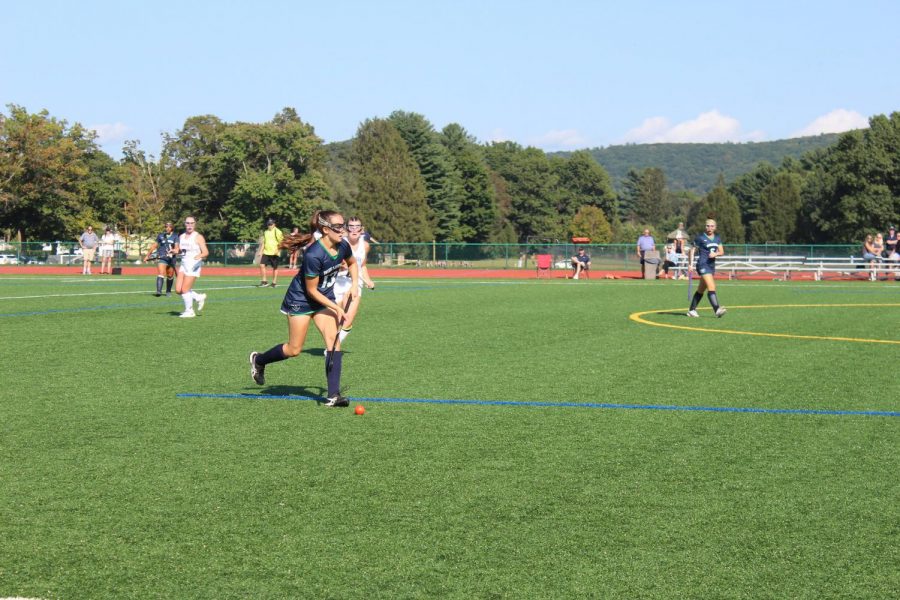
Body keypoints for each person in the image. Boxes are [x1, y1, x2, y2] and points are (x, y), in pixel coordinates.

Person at [249, 210, 359, 407]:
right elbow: (311, 291)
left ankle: (333, 395)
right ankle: (259, 360)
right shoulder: (314, 254)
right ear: (325, 229)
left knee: (334, 342)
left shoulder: (343, 245)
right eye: (338, 227)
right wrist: (337, 307)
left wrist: (354, 285)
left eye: (343, 225)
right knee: (294, 349)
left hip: (323, 299)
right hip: (301, 300)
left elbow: (352, 263)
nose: (343, 231)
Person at [333, 216, 376, 345]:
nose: (354, 229)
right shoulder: (340, 243)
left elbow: (362, 265)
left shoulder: (366, 245)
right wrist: (340, 265)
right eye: (351, 226)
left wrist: (368, 280)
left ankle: (333, 347)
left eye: (357, 226)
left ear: (361, 229)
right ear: (347, 228)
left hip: (354, 284)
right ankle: (332, 345)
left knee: (348, 320)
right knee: (336, 318)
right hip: (337, 283)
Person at [687, 218, 727, 318]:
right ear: (705, 227)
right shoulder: (700, 237)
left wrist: (716, 254)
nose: (709, 228)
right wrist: (690, 264)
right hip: (702, 264)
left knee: (701, 289)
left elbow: (721, 252)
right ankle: (717, 309)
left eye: (712, 226)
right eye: (707, 226)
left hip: (711, 266)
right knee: (712, 286)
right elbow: (692, 251)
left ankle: (691, 310)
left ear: (715, 227)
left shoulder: (717, 238)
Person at [173, 216, 209, 318]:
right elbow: (180, 250)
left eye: (192, 223)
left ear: (195, 224)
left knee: (185, 289)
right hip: (184, 265)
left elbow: (206, 252)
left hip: (194, 265)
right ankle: (198, 297)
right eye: (187, 223)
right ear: (185, 224)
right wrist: (175, 251)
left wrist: (199, 256)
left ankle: (189, 311)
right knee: (178, 290)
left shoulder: (198, 237)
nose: (189, 225)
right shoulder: (181, 236)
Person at [143, 221, 179, 296]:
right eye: (166, 227)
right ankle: (158, 291)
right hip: (162, 258)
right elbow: (154, 246)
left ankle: (168, 291)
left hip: (171, 259)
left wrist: (173, 251)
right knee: (161, 273)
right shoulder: (160, 235)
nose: (167, 228)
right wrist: (147, 255)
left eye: (169, 227)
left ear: (172, 228)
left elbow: (176, 248)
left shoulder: (175, 236)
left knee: (170, 275)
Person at [257, 218, 284, 287]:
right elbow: (264, 242)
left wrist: (278, 250)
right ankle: (264, 281)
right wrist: (260, 251)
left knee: (275, 268)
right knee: (261, 265)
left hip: (274, 253)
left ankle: (274, 282)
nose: (269, 226)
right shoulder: (266, 232)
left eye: (271, 224)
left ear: (274, 224)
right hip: (266, 252)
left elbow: (281, 242)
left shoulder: (278, 231)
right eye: (268, 224)